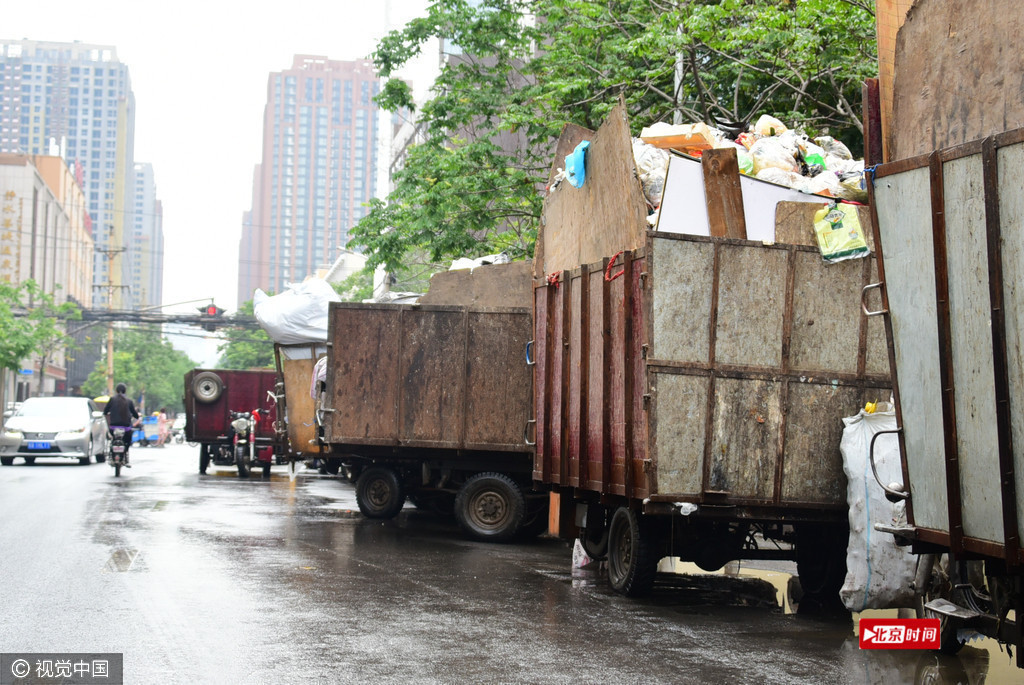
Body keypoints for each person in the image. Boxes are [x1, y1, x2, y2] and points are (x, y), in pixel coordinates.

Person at [103, 383, 140, 465]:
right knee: (128, 441)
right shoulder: (129, 401)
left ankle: (111, 453)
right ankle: (125, 454)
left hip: (113, 427)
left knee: (112, 439)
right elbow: (134, 414)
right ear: (125, 391)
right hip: (126, 428)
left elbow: (105, 411)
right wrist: (136, 416)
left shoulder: (112, 399)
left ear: (116, 390)